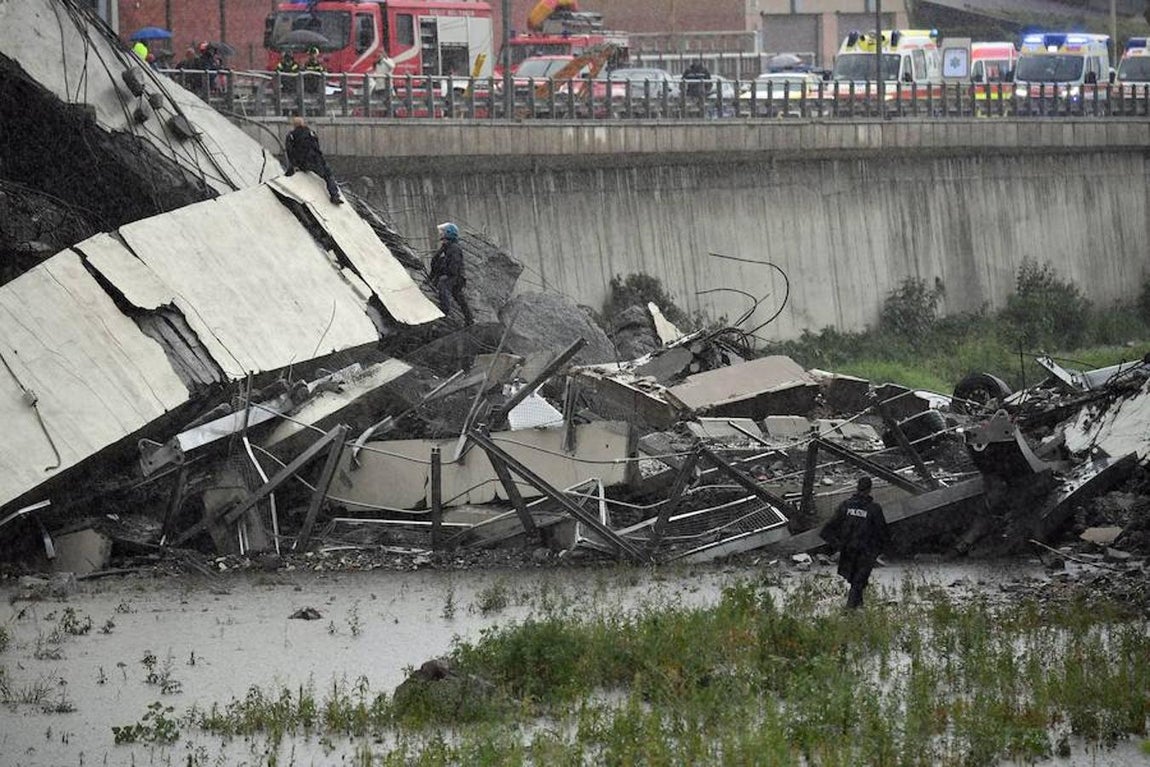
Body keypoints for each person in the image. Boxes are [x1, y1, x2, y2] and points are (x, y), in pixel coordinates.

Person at [819, 476, 890, 609]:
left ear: (857, 488)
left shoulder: (845, 506)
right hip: (865, 552)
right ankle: (849, 610)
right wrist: (879, 551)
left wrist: (838, 546)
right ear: (870, 489)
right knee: (858, 581)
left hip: (848, 551)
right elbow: (883, 532)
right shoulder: (874, 508)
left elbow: (826, 530)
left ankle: (859, 608)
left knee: (856, 581)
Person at [284, 115, 343, 204]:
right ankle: (334, 195)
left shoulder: (291, 135)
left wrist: (294, 165)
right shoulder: (311, 133)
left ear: (294, 125)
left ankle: (285, 188)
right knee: (328, 174)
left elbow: (290, 152)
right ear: (303, 123)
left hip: (301, 163)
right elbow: (317, 148)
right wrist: (321, 161)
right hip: (315, 161)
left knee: (288, 174)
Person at [428, 222, 473, 325]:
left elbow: (454, 266)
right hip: (453, 276)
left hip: (455, 276)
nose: (441, 234)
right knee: (458, 296)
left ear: (448, 233)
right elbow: (436, 262)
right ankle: (469, 318)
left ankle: (444, 313)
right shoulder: (446, 247)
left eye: (443, 232)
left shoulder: (454, 248)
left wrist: (445, 273)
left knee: (443, 286)